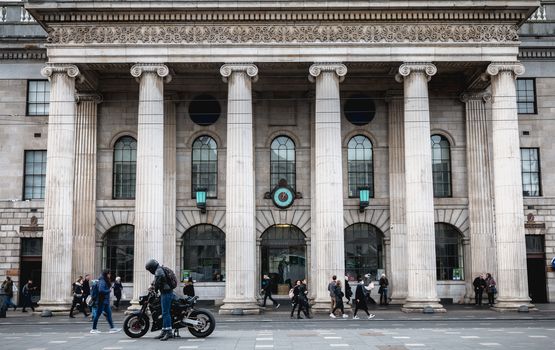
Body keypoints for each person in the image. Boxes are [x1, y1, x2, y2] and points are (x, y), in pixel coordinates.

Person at [146, 259, 177, 341]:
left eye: (149, 269)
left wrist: (155, 289)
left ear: (152, 267)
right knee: (164, 313)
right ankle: (164, 331)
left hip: (166, 293)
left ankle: (169, 332)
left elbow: (157, 282)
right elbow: (156, 280)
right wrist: (153, 285)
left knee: (166, 313)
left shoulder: (159, 271)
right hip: (166, 292)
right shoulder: (160, 269)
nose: (150, 271)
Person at [90, 270, 120, 334]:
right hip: (101, 301)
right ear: (106, 274)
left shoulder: (104, 280)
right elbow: (101, 290)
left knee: (109, 314)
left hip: (105, 301)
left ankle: (112, 328)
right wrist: (108, 291)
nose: (110, 275)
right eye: (109, 274)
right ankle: (93, 329)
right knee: (97, 315)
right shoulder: (102, 281)